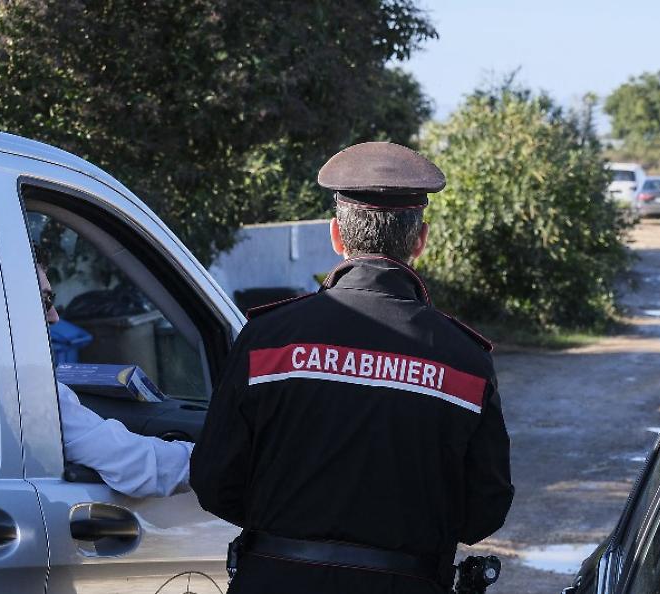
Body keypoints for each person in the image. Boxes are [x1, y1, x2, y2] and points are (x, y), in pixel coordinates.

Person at [191, 142, 514, 594]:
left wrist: (284, 530)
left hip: (273, 579)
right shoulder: (465, 360)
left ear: (336, 236)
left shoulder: (268, 339)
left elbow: (213, 481)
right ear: (420, 240)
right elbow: (485, 510)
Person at [38, 259, 193, 498]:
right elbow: (134, 465)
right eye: (44, 301)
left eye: (51, 300)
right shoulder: (29, 394)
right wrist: (213, 457)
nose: (54, 316)